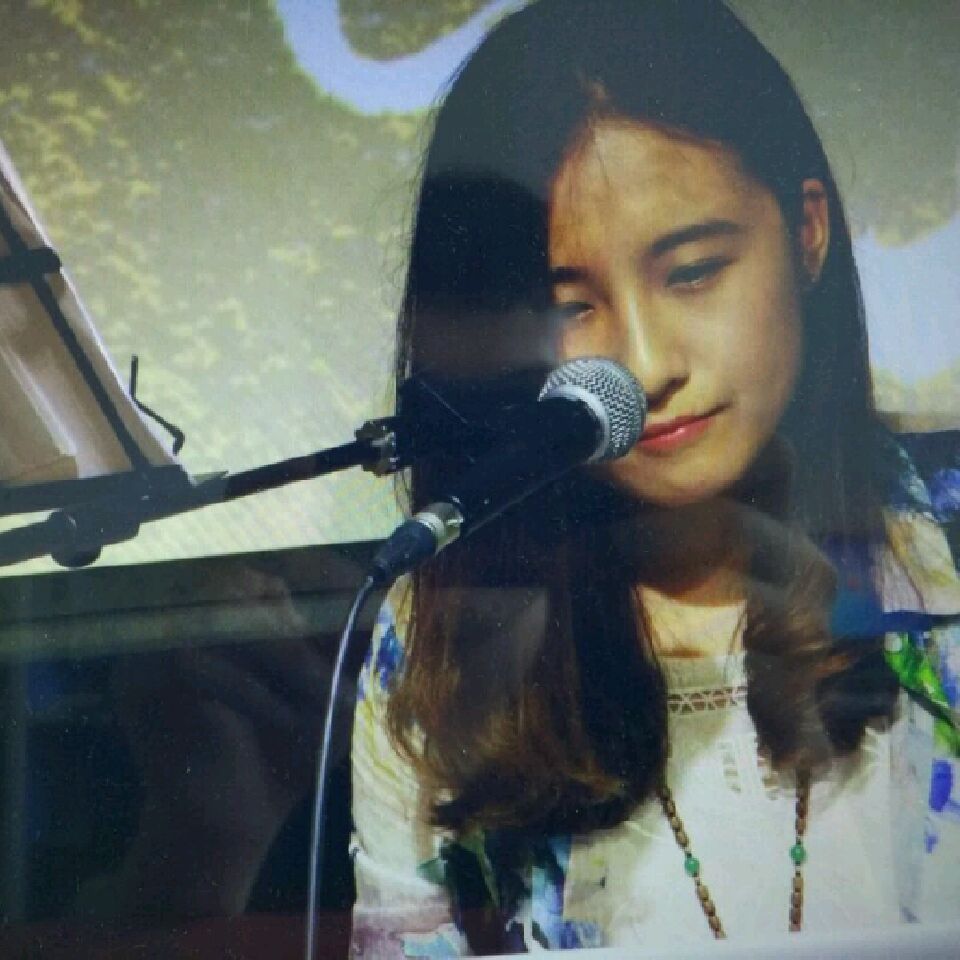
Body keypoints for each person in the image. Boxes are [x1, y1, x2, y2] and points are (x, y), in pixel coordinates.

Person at [350, 1, 960, 954]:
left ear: (808, 232)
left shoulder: (939, 560)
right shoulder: (442, 641)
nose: (644, 365)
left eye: (693, 272)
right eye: (571, 308)